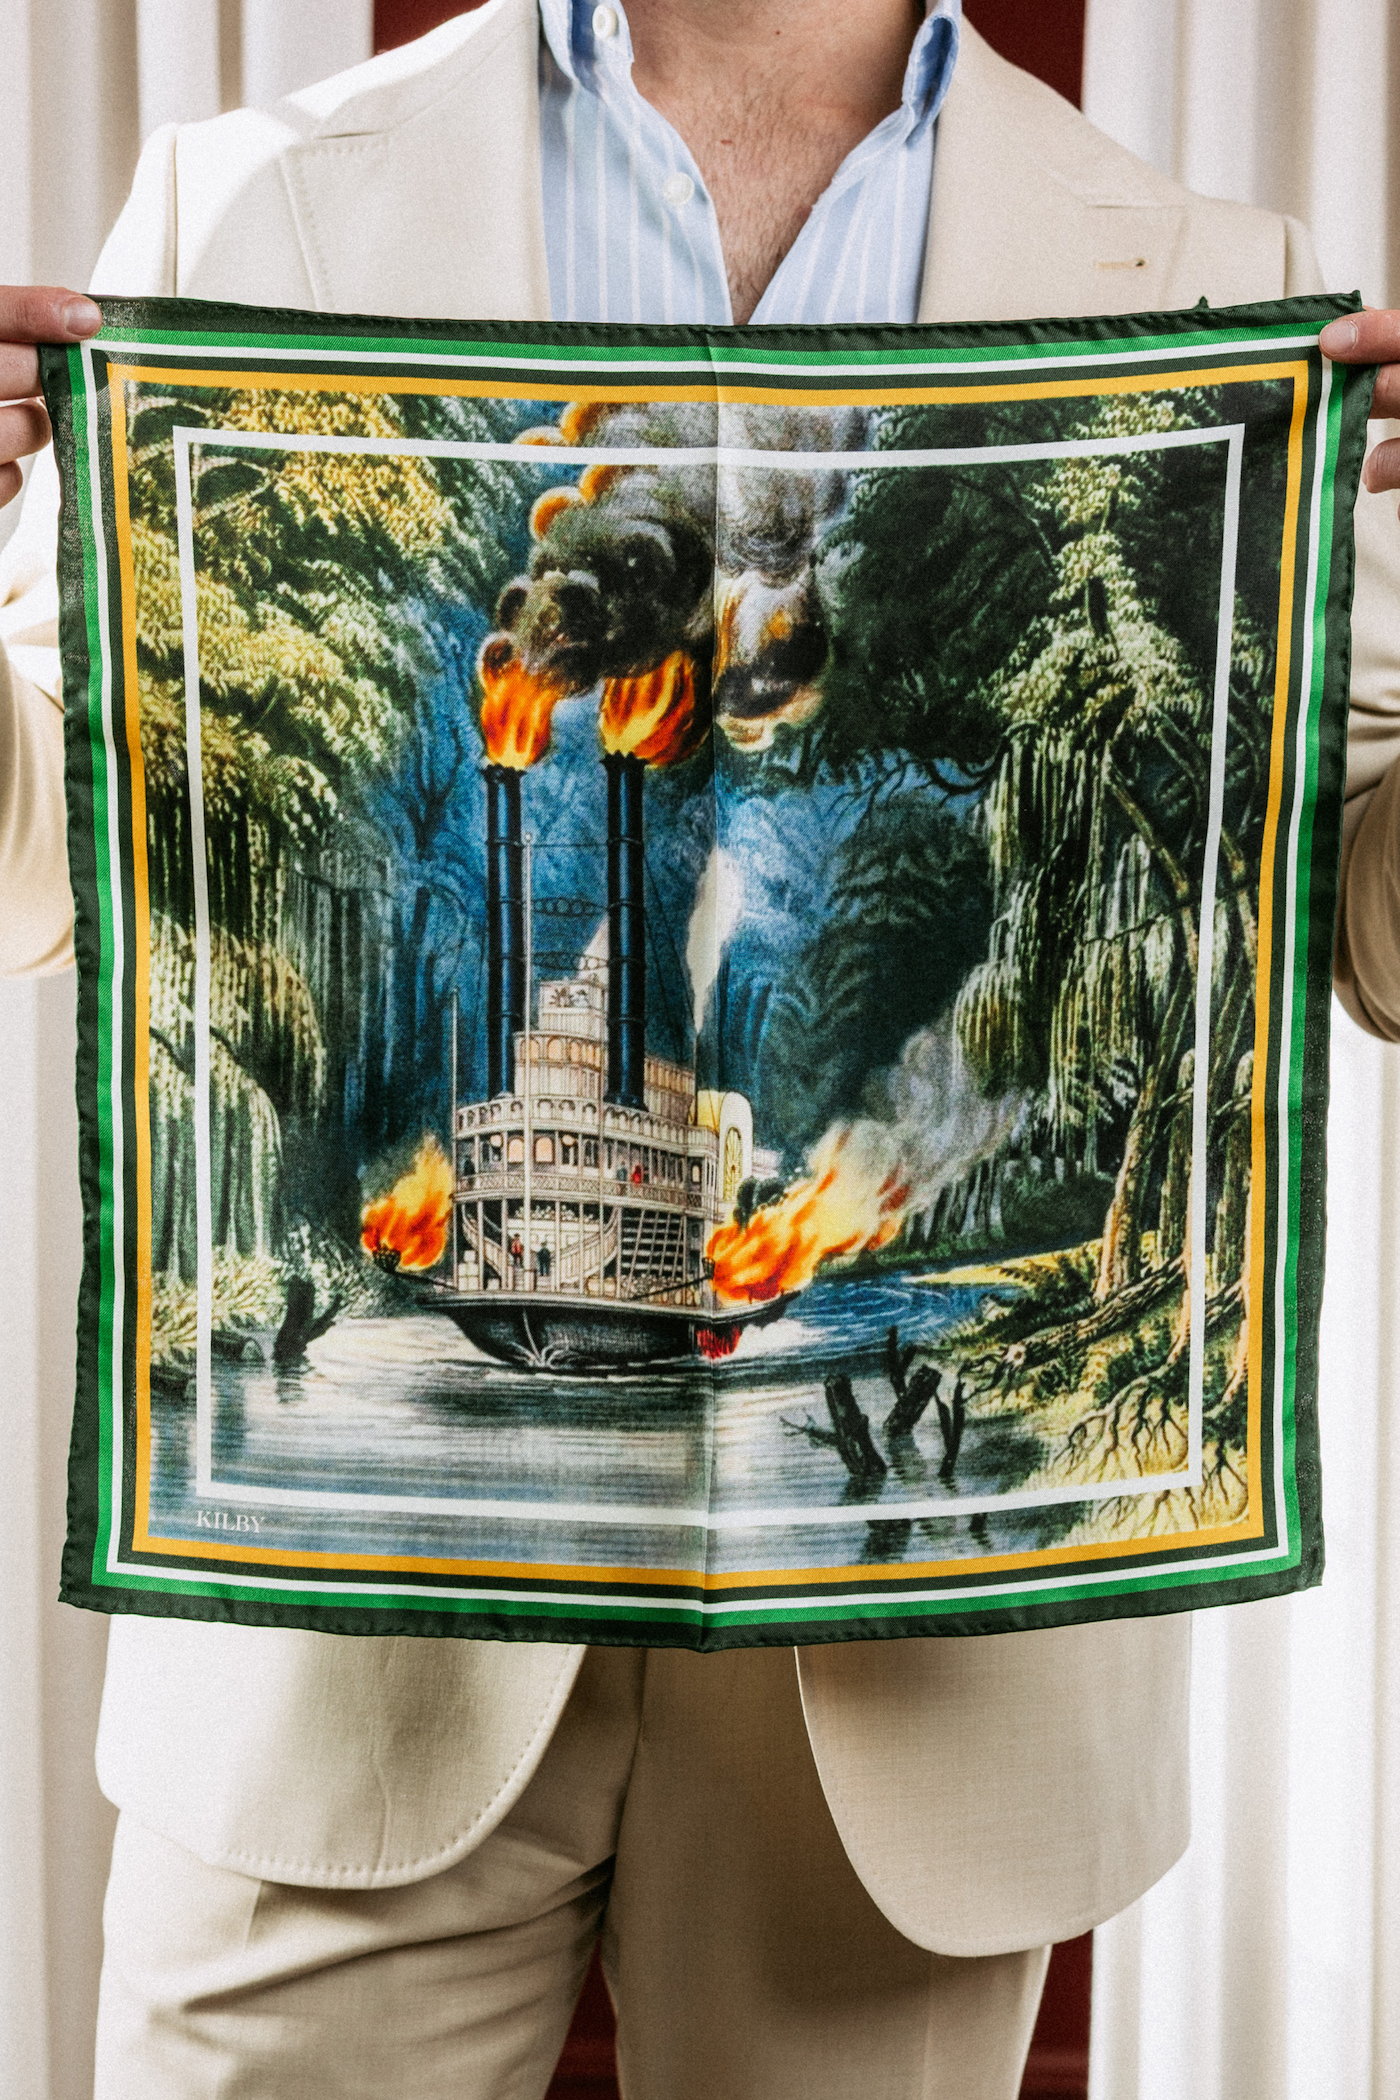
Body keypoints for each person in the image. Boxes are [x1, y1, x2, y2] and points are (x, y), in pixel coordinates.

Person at [3, 2, 1400, 2093]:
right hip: (336, 1663)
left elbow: (1353, 927)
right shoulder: (251, 200)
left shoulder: (1211, 275)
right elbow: (52, 873)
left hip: (914, 1690)